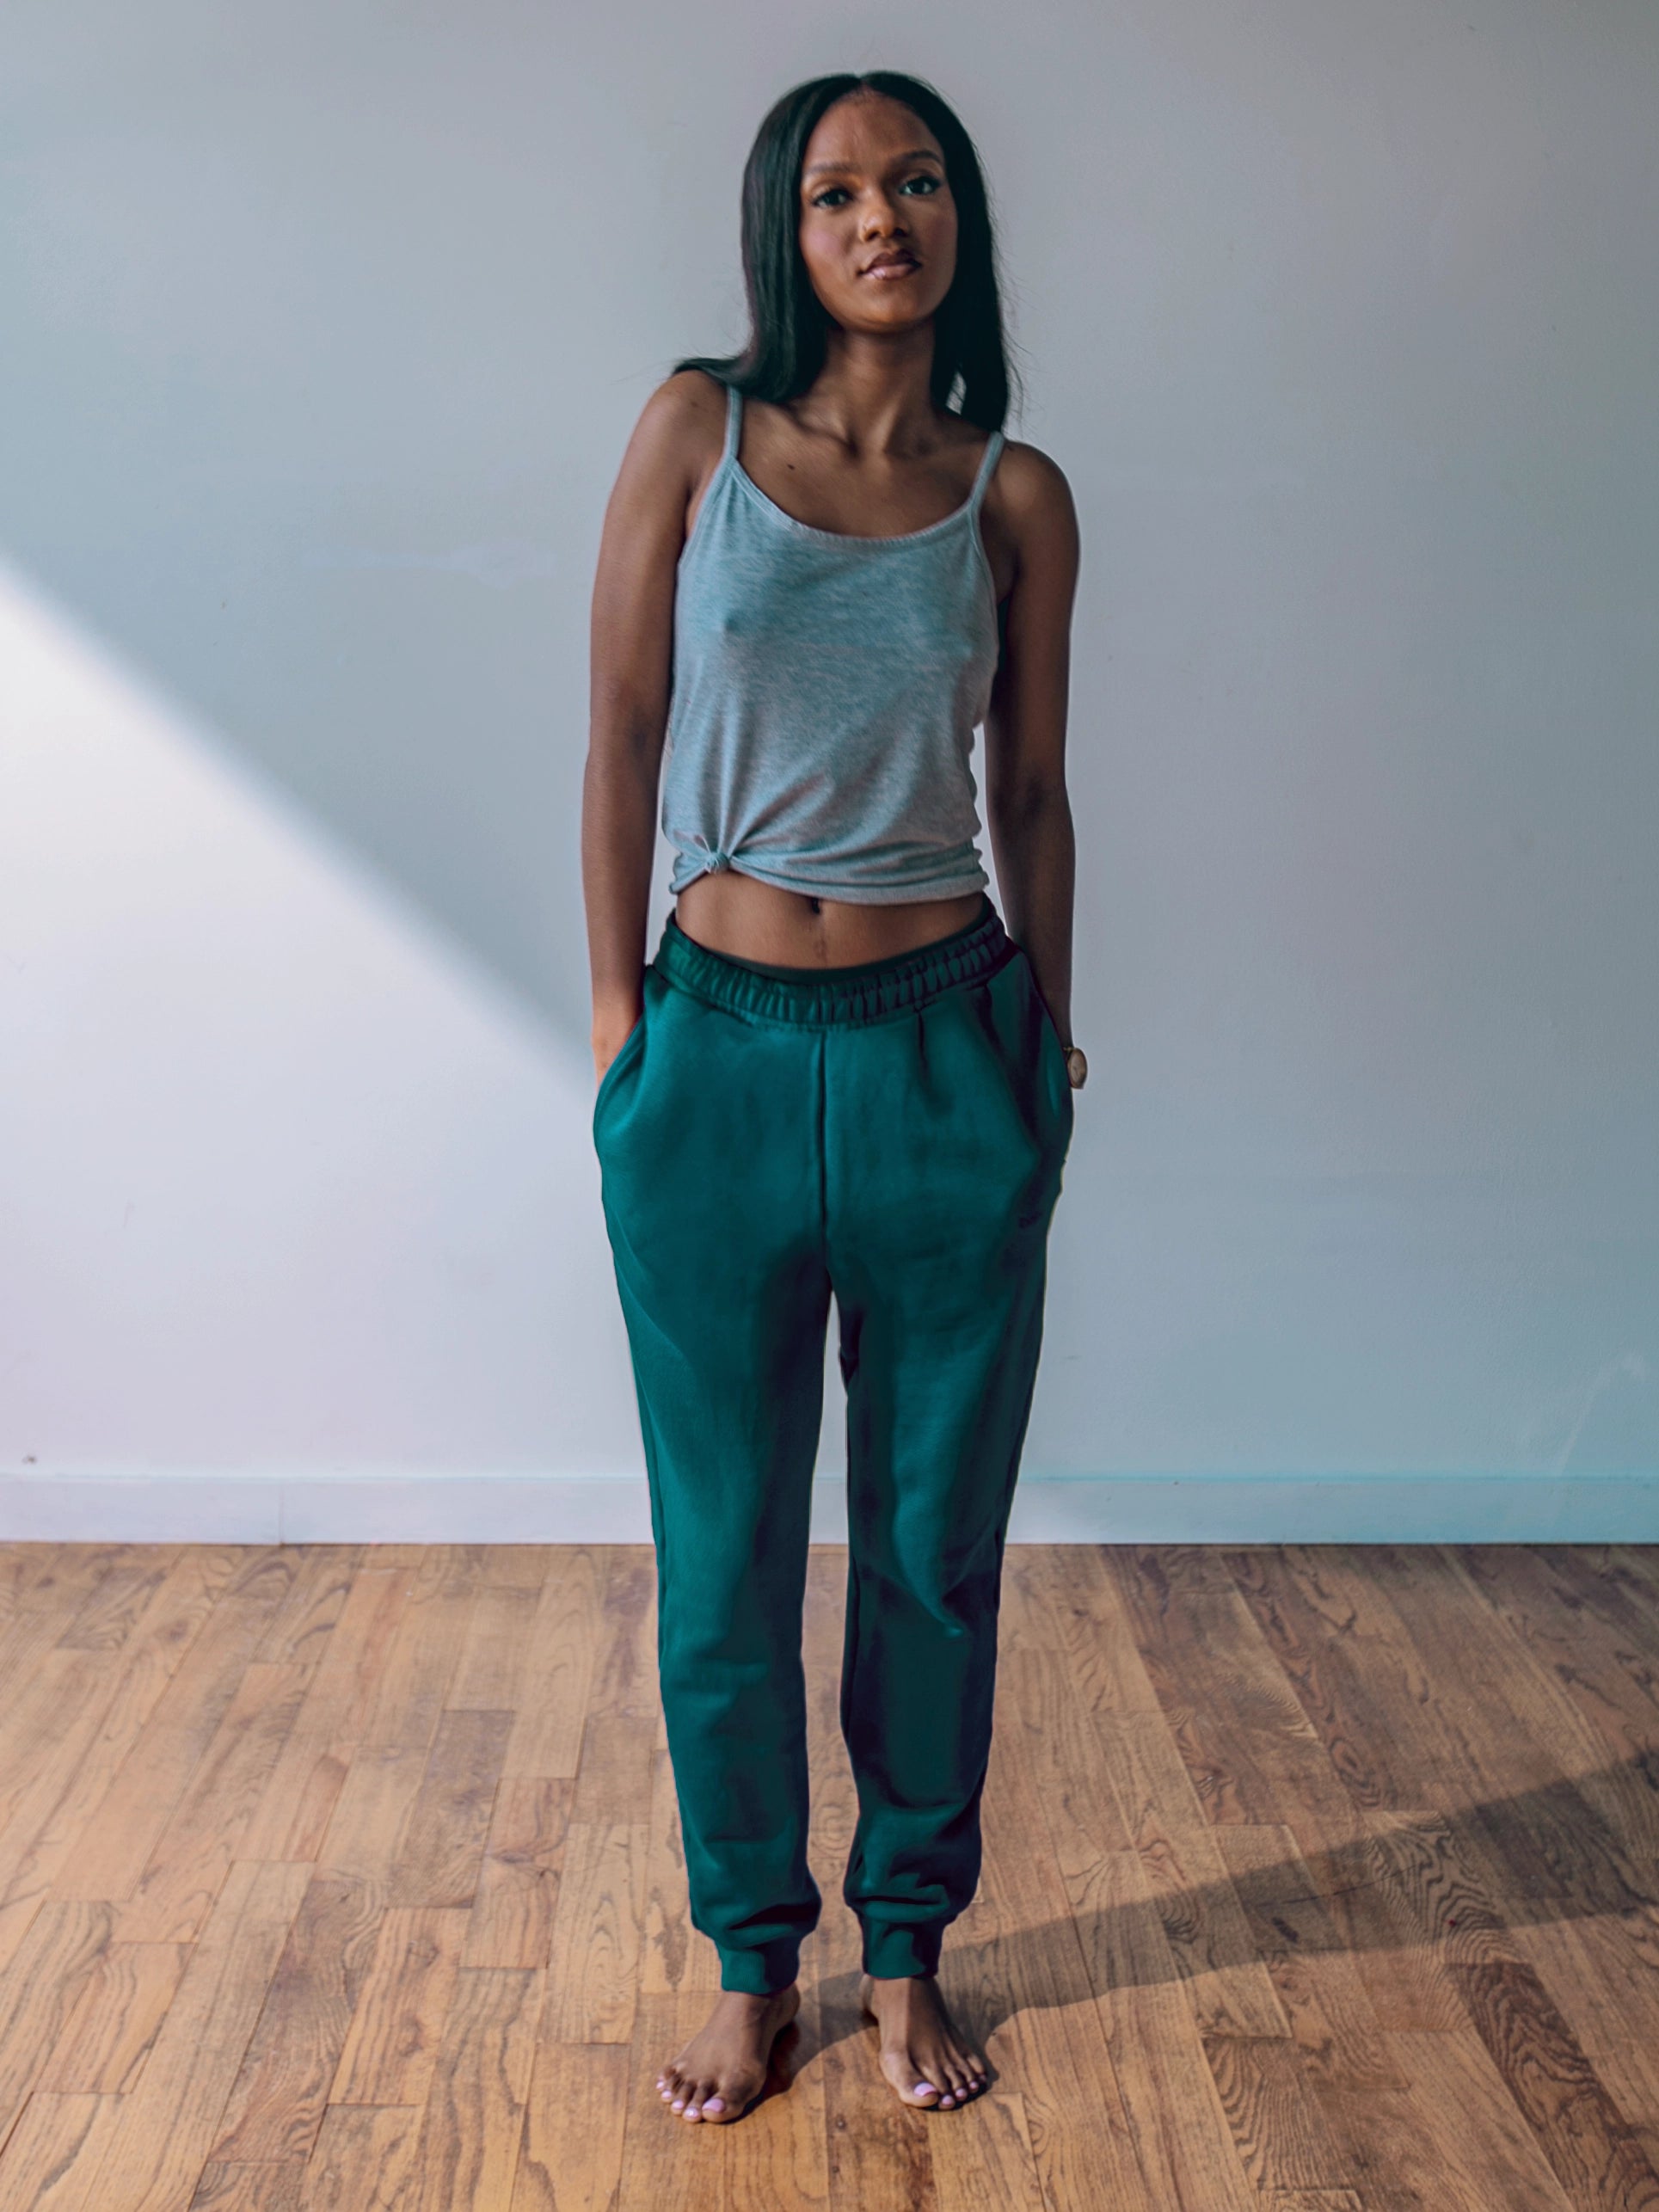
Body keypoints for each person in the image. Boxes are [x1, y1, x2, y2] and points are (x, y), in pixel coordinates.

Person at [581, 66, 1084, 2128]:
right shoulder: (697, 430)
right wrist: (625, 1023)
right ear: (780, 239)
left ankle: (906, 1953)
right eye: (834, 194)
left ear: (959, 214)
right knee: (718, 1556)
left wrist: (1042, 1049)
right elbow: (617, 728)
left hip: (941, 1051)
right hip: (712, 1052)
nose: (881, 216)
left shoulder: (1017, 492)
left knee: (930, 1549)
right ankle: (745, 1957)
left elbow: (1029, 794)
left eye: (915, 180)